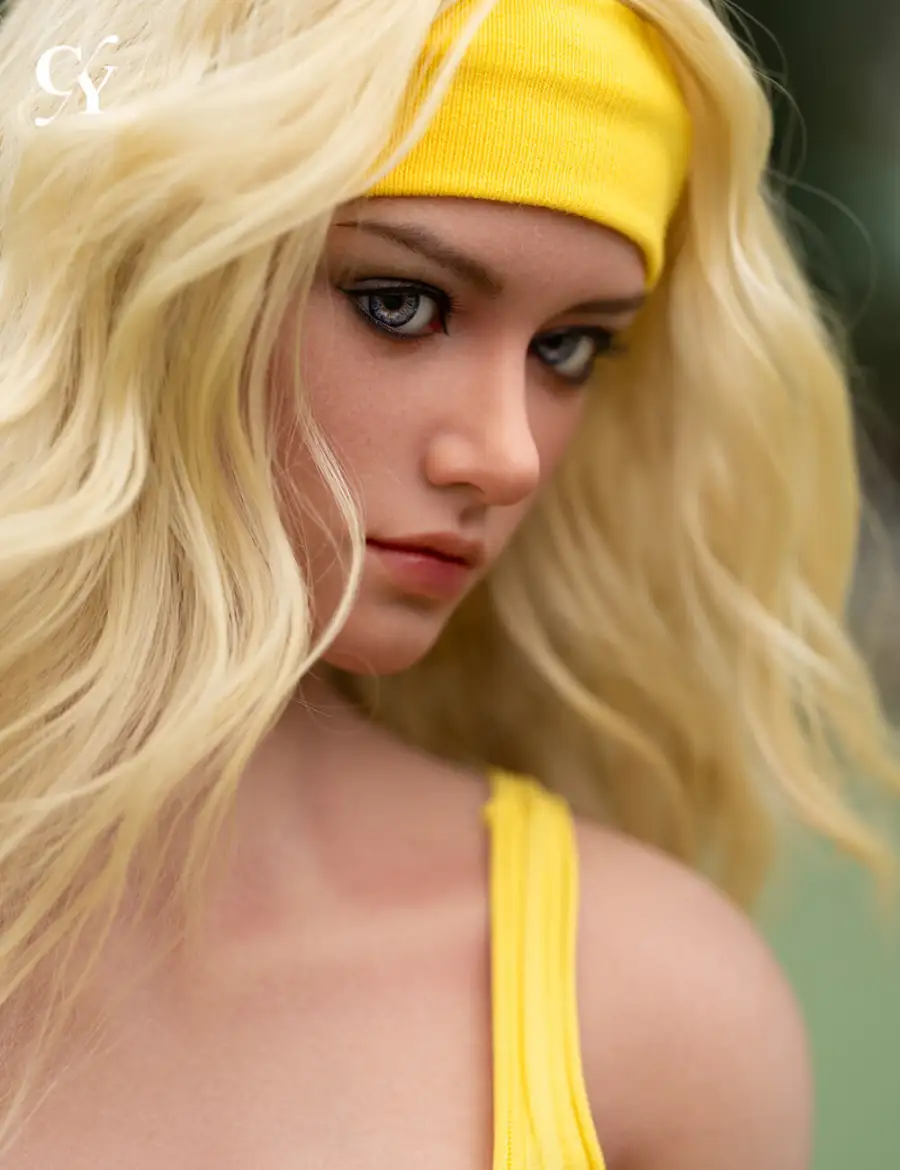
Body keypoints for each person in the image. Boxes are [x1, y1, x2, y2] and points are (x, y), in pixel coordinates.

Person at [0, 0, 897, 1166]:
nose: (509, 454)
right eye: (401, 303)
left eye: (568, 348)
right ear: (135, 278)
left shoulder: (644, 1014)